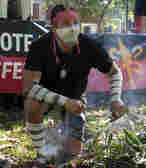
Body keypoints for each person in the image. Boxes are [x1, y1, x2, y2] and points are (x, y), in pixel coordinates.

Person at [22, 4, 125, 167]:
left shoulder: (89, 46)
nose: (72, 28)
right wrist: (64, 102)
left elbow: (115, 72)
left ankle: (58, 140)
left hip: (76, 100)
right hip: (46, 98)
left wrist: (116, 99)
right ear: (54, 28)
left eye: (76, 22)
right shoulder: (39, 47)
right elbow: (28, 88)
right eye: (66, 23)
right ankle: (42, 153)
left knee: (71, 155)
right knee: (31, 104)